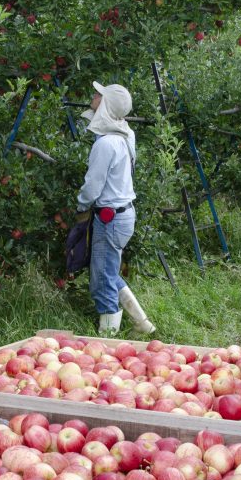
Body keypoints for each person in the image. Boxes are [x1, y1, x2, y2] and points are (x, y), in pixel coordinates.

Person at [75, 82, 155, 336]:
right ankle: (142, 323)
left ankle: (107, 336)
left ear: (106, 105)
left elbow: (93, 185)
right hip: (123, 214)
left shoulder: (106, 144)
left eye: (99, 95)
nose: (93, 95)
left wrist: (81, 205)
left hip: (109, 218)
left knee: (102, 280)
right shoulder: (125, 133)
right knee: (108, 271)